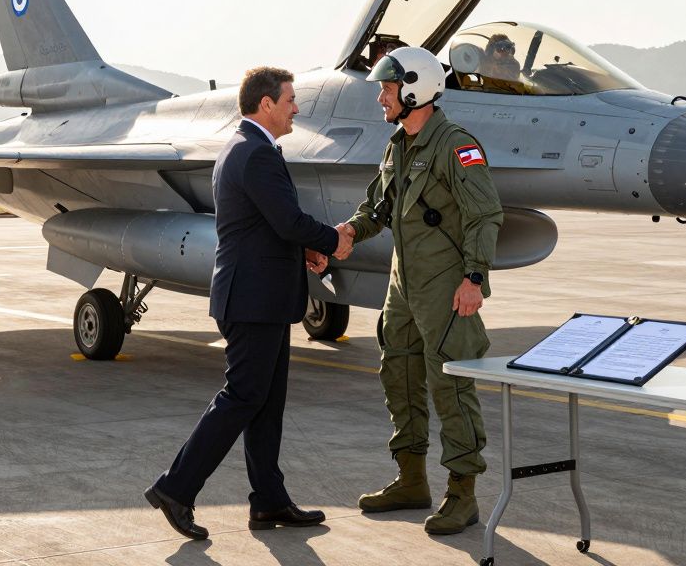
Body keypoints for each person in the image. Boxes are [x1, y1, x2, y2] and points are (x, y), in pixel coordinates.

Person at [145, 66, 353, 540]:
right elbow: (286, 219)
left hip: (265, 300)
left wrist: (308, 247)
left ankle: (268, 500)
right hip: (253, 301)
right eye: (290, 100)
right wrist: (331, 240)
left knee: (266, 403)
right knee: (242, 398)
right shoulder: (255, 154)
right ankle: (176, 489)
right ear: (266, 105)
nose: (296, 108)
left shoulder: (245, 149)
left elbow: (267, 225)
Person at [337, 46, 503, 535]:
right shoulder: (398, 144)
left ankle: (462, 494)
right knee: (400, 376)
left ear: (416, 90)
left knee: (450, 385)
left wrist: (474, 279)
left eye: (388, 90)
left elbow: (485, 214)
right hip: (403, 285)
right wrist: (349, 231)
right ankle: (411, 480)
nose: (381, 99)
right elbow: (378, 208)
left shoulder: (456, 145)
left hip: (446, 288)